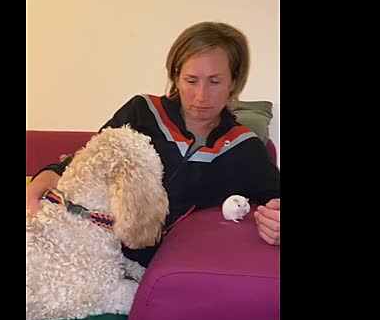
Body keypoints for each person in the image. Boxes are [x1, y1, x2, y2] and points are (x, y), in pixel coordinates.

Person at [26, 21, 280, 266]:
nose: (201, 96)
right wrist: (46, 175)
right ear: (176, 76)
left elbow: (275, 197)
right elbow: (91, 159)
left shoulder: (243, 148)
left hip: (153, 267)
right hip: (84, 244)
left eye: (215, 81)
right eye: (191, 80)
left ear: (234, 82)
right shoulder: (142, 111)